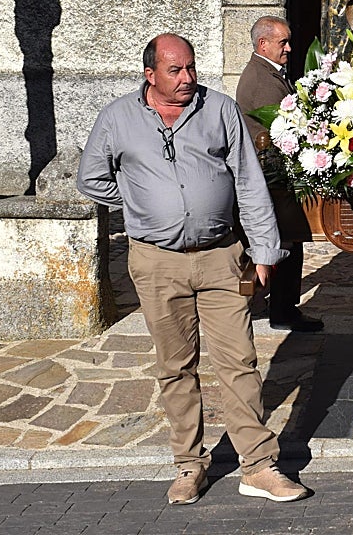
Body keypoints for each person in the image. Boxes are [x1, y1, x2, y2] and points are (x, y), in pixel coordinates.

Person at [77, 33, 309, 506]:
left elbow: (248, 180)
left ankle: (259, 466)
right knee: (175, 366)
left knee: (239, 361)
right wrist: (139, 206)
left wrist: (265, 250)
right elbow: (91, 176)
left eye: (190, 68)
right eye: (175, 71)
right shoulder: (117, 118)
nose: (187, 79)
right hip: (156, 261)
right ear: (150, 75)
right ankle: (190, 464)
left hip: (222, 255)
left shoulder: (219, 110)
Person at [235, 16, 322, 332]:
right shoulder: (263, 81)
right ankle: (283, 310)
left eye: (288, 41)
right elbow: (281, 130)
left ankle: (280, 304)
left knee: (289, 238)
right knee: (288, 239)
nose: (289, 48)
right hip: (271, 175)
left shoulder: (269, 73)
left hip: (272, 173)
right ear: (263, 45)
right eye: (282, 42)